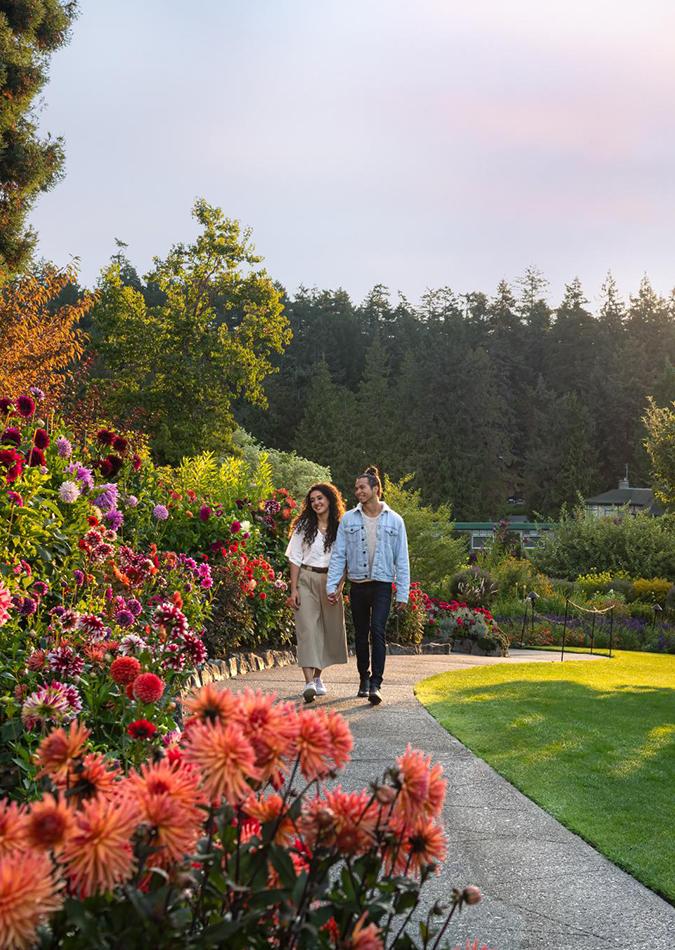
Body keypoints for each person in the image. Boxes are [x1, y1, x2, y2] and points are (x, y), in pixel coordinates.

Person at [326, 466, 410, 705]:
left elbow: (401, 558)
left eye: (362, 487)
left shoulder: (395, 520)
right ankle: (363, 678)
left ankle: (376, 684)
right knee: (361, 635)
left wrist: (402, 593)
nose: (358, 491)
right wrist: (332, 587)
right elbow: (339, 555)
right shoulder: (349, 519)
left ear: (376, 489)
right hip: (358, 585)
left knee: (378, 631)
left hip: (382, 585)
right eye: (356, 488)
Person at [285, 482, 348, 703]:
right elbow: (294, 558)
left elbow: (346, 560)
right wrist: (293, 590)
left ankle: (319, 677)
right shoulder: (304, 526)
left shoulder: (341, 527)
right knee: (307, 629)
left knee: (328, 630)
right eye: (312, 500)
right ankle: (308, 682)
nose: (316, 503)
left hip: (331, 580)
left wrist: (339, 586)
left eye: (320, 498)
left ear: (330, 499)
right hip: (306, 578)